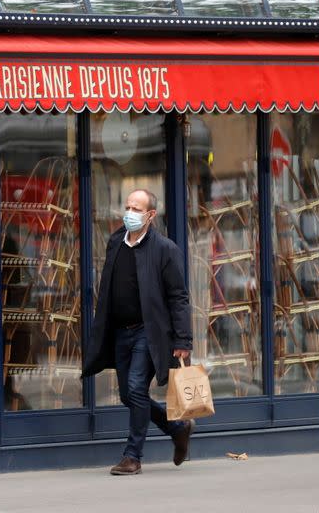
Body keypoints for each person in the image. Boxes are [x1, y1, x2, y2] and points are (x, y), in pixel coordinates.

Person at [82, 188, 194, 476]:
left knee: (135, 388)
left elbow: (178, 297)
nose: (129, 213)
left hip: (149, 332)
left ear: (150, 215)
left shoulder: (165, 249)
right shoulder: (116, 241)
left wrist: (183, 339)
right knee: (127, 395)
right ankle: (177, 429)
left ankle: (133, 456)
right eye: (128, 206)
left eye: (136, 209)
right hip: (119, 331)